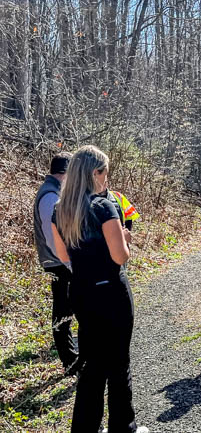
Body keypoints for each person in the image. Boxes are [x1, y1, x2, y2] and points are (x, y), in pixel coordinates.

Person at [51, 145, 147, 433]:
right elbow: (120, 256)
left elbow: (63, 256)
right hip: (111, 292)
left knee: (92, 365)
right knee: (118, 362)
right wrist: (125, 239)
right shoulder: (103, 206)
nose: (107, 178)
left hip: (81, 291)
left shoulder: (60, 210)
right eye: (105, 172)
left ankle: (85, 428)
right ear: (95, 173)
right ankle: (124, 427)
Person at [33, 152, 80, 375]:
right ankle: (70, 362)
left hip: (60, 261)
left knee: (70, 308)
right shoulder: (50, 196)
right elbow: (52, 237)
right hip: (58, 263)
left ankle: (74, 359)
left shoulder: (53, 192)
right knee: (63, 311)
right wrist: (70, 264)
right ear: (65, 173)